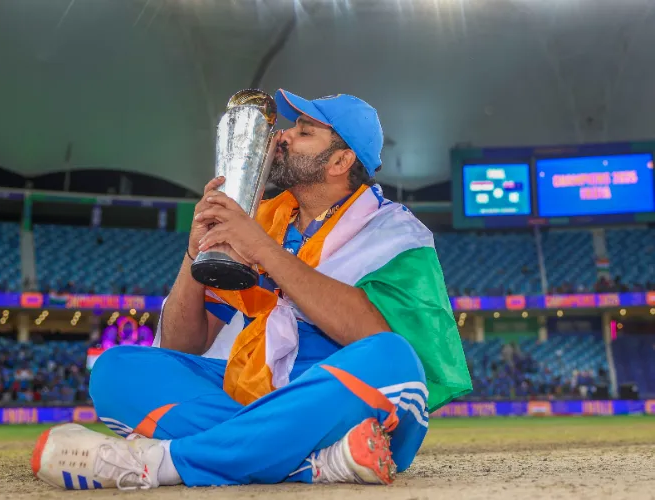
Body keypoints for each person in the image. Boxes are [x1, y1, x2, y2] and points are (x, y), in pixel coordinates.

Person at [31, 89, 472, 491]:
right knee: (117, 369)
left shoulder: (394, 231)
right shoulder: (264, 217)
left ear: (340, 162)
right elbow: (187, 343)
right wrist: (195, 254)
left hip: (341, 395)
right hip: (263, 394)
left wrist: (262, 249)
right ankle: (312, 462)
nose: (282, 137)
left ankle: (161, 464)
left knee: (391, 360)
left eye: (304, 132)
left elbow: (369, 335)